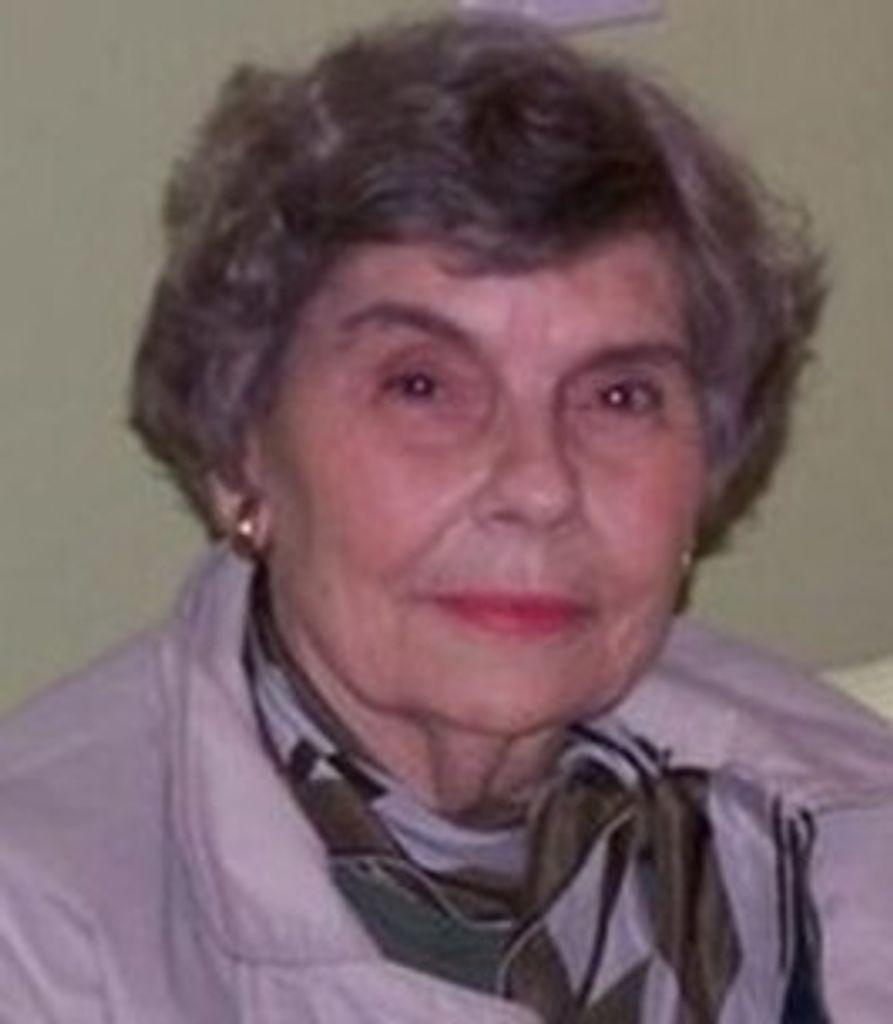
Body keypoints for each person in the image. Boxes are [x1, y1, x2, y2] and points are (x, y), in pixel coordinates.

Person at [0, 13, 891, 1023]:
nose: (538, 485)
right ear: (241, 453)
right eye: (421, 385)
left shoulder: (838, 820)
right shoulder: (40, 932)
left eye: (617, 396)